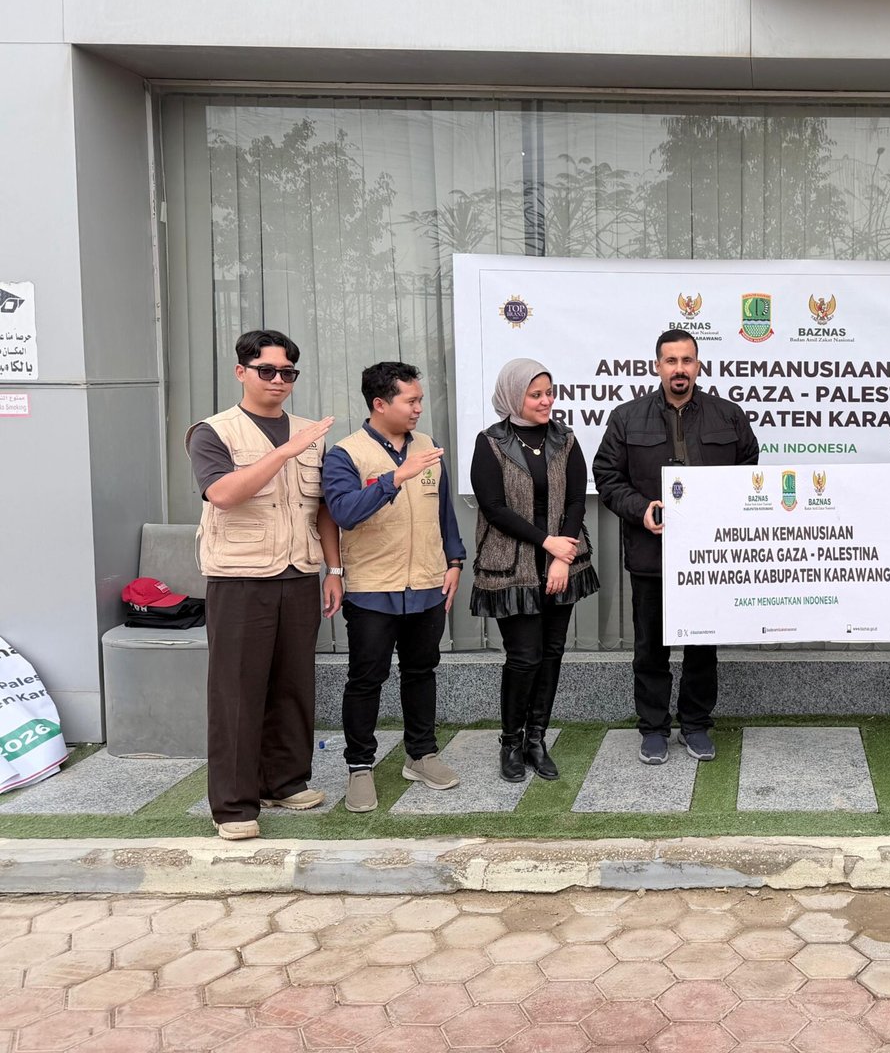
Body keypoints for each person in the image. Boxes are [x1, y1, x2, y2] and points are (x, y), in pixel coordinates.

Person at [185, 329, 343, 841]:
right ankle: (233, 806)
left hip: (299, 574)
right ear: (241, 372)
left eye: (288, 372)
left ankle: (285, 781)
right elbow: (222, 493)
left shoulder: (309, 432)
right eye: (267, 370)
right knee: (237, 691)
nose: (279, 380)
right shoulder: (213, 431)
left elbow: (321, 509)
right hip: (239, 578)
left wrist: (333, 570)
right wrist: (283, 452)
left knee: (293, 683)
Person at [593, 329, 759, 765]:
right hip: (652, 555)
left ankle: (696, 724)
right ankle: (653, 728)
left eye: (687, 360)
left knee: (702, 646)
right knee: (651, 647)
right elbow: (607, 476)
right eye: (671, 361)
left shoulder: (728, 416)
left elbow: (748, 469)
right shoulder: (627, 417)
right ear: (658, 366)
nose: (679, 369)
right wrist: (641, 509)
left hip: (709, 556)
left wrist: (723, 510)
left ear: (698, 365)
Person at [322, 361, 464, 812]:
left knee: (421, 671)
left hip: (427, 582)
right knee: (366, 678)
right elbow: (344, 512)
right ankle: (359, 767)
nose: (419, 408)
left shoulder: (428, 447)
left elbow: (443, 511)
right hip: (371, 588)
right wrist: (394, 478)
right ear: (380, 404)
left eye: (420, 400)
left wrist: (454, 561)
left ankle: (421, 755)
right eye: (411, 400)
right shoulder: (345, 454)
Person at [470, 358, 599, 783]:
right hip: (513, 567)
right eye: (535, 394)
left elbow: (577, 500)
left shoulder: (565, 439)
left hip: (562, 564)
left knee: (551, 653)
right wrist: (547, 543)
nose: (546, 401)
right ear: (513, 396)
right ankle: (510, 742)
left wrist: (562, 556)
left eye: (549, 393)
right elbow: (494, 508)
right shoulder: (490, 442)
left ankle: (536, 740)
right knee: (524, 657)